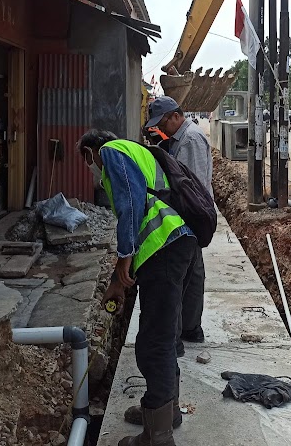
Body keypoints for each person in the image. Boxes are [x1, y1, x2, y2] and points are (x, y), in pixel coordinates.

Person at [80, 129, 198, 446]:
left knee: (152, 343)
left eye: (87, 160)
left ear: (92, 151)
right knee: (163, 333)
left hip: (164, 248)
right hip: (178, 245)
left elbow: (130, 207)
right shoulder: (136, 153)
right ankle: (167, 411)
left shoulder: (111, 152)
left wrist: (121, 269)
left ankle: (157, 436)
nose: (91, 167)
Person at [145, 97, 212, 355]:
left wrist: (186, 220)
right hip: (186, 215)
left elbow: (192, 186)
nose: (163, 128)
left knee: (189, 274)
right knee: (191, 271)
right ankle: (190, 326)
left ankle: (189, 328)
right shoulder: (178, 139)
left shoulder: (191, 139)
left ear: (175, 116)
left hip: (190, 215)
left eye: (163, 122)